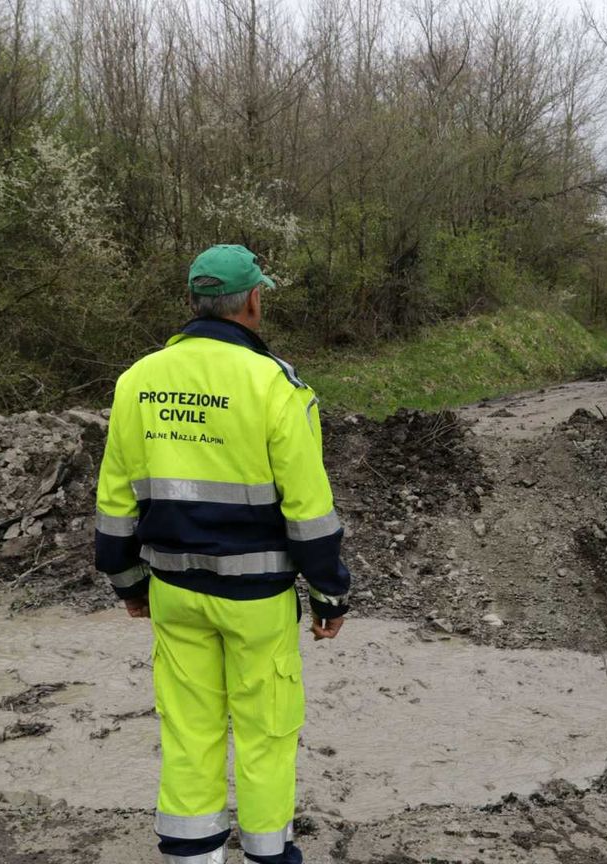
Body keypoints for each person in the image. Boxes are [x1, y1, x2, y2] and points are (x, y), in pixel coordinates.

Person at [95, 244, 352, 864]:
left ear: (195, 302)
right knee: (265, 732)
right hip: (257, 601)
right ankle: (267, 853)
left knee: (189, 729)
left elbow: (115, 500)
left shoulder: (138, 380)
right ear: (255, 301)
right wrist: (329, 593)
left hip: (174, 595)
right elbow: (309, 510)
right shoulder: (275, 385)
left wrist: (129, 585)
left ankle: (192, 855)